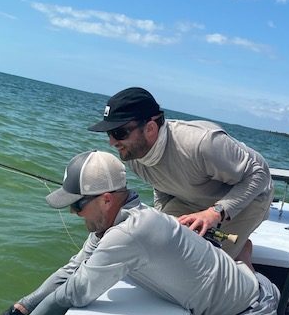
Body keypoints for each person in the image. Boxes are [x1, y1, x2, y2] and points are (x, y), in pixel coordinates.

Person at [0, 150, 279, 315]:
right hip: (242, 290)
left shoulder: (128, 234)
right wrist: (20, 308)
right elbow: (72, 268)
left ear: (105, 200)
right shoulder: (117, 221)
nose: (75, 214)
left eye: (77, 205)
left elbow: (74, 293)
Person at [87, 87, 274, 261]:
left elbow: (260, 175)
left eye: (119, 132)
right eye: (109, 133)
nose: (112, 142)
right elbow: (162, 185)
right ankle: (238, 247)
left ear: (150, 128)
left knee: (206, 265)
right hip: (192, 197)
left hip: (249, 196)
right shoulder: (133, 155)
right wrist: (162, 218)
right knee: (152, 244)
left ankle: (246, 262)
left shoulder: (201, 143)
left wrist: (214, 213)